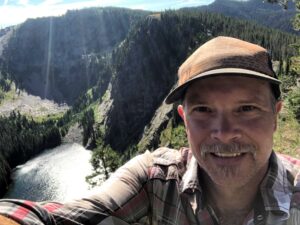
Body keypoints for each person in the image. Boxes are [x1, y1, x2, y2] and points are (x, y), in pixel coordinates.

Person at [0, 36, 300, 225]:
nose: (223, 133)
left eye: (246, 109)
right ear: (183, 118)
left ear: (275, 115)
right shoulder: (154, 179)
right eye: (203, 110)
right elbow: (58, 217)